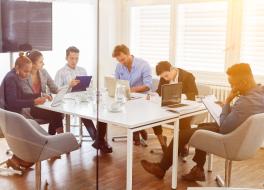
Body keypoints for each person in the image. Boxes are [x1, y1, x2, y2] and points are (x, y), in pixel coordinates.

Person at [141, 63, 264, 181]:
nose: (232, 88)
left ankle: (161, 168)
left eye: (232, 85)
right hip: (244, 136)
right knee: (201, 126)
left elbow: (225, 127)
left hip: (231, 139)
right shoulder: (260, 92)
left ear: (244, 82)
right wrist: (229, 109)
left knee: (182, 134)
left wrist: (227, 102)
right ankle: (198, 170)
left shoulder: (246, 102)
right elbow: (242, 114)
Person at [55, 46, 112, 153]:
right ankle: (99, 140)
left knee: (101, 112)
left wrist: (90, 89)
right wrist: (69, 85)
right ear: (66, 58)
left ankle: (99, 141)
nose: (74, 61)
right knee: (84, 114)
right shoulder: (60, 72)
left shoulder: (82, 70)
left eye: (76, 58)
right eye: (72, 58)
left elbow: (89, 87)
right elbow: (56, 91)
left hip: (84, 100)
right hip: (69, 103)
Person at [1, 52, 52, 171]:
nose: (27, 75)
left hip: (12, 114)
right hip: (9, 116)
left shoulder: (15, 76)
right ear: (17, 67)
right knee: (29, 130)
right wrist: (34, 102)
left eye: (29, 71)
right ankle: (21, 159)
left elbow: (22, 95)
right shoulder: (11, 79)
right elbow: (12, 102)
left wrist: (39, 95)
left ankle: (18, 160)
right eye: (25, 71)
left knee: (29, 129)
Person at [153, 61, 198, 154]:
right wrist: (153, 95)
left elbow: (194, 93)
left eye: (166, 76)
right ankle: (163, 144)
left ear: (172, 69)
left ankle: (184, 146)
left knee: (183, 119)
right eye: (163, 77)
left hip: (184, 107)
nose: (165, 78)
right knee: (153, 117)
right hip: (168, 106)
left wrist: (180, 97)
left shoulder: (188, 76)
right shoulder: (164, 78)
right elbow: (159, 91)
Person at [113, 44, 152, 145]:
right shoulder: (119, 66)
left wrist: (130, 90)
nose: (121, 63)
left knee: (133, 108)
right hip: (126, 97)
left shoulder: (143, 65)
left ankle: (137, 129)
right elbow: (116, 82)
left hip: (141, 98)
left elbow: (147, 86)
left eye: (123, 59)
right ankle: (138, 129)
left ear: (129, 54)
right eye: (119, 60)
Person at [18, 50, 64, 135]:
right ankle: (58, 137)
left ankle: (52, 139)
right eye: (41, 61)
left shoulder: (44, 72)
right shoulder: (24, 75)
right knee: (56, 114)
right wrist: (42, 96)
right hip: (30, 108)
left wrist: (68, 86)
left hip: (42, 106)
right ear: (33, 64)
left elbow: (54, 89)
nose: (43, 63)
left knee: (56, 113)